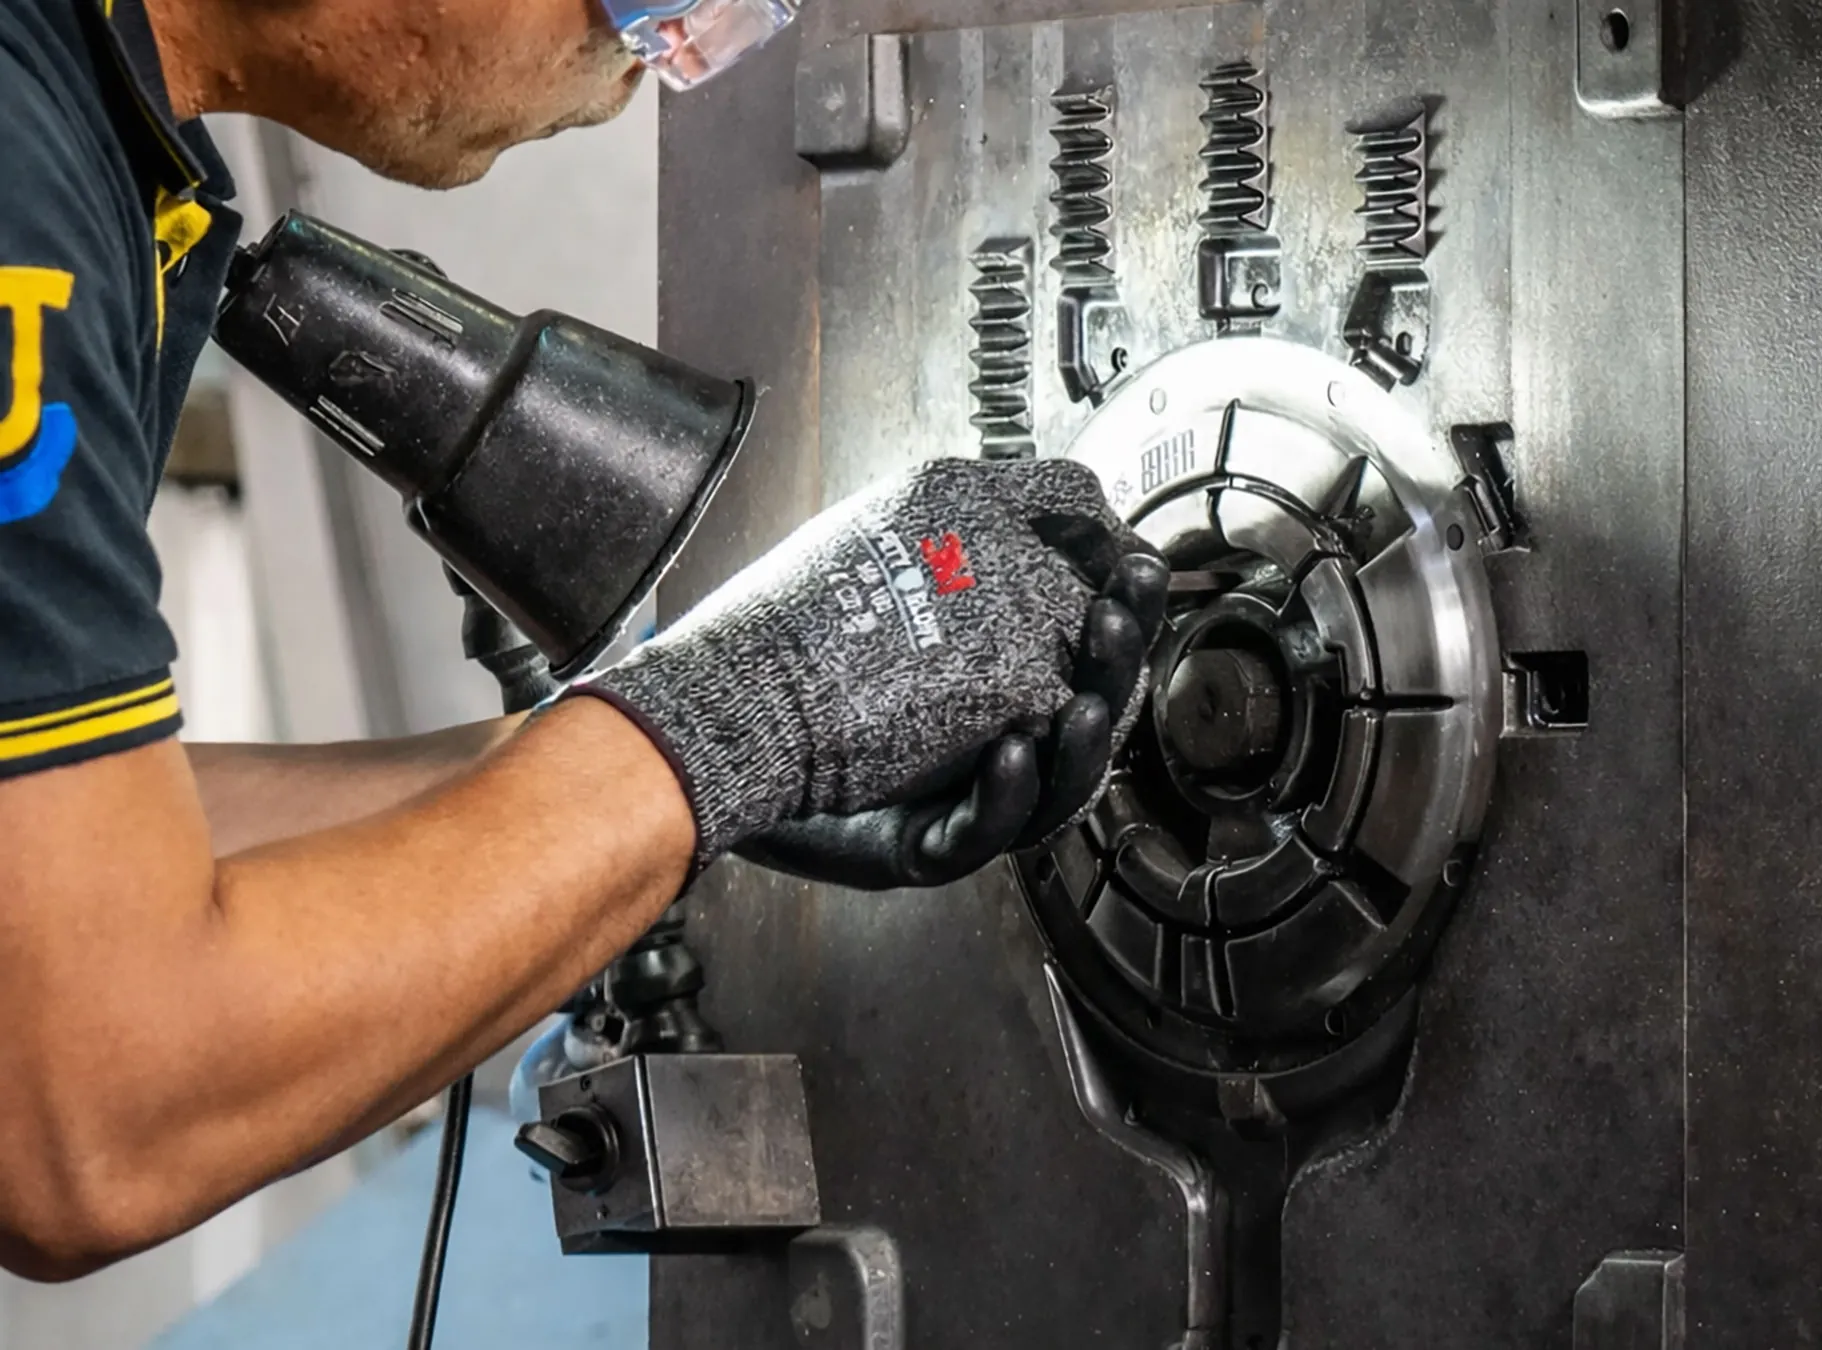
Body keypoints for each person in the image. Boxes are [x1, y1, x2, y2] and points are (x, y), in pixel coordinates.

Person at [0, 0, 1162, 1281]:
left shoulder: (91, 134)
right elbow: (90, 1116)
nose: (643, 66)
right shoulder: (19, 187)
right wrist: (740, 718)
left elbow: (77, 868)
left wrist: (631, 777)